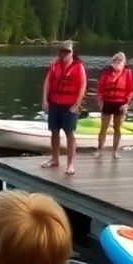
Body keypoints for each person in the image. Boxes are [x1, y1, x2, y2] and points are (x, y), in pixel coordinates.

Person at [41, 41, 86, 175]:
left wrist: (77, 104)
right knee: (54, 131)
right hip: (55, 103)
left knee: (69, 133)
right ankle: (55, 159)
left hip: (70, 105)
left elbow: (82, 86)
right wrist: (45, 101)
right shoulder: (54, 66)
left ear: (72, 53)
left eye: (67, 52)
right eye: (62, 51)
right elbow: (47, 83)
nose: (64, 54)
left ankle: (70, 164)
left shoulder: (78, 67)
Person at [95, 52, 133, 159]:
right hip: (107, 102)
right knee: (103, 128)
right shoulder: (106, 73)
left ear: (124, 63)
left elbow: (130, 90)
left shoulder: (128, 73)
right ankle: (99, 150)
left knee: (117, 128)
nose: (117, 63)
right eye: (115, 61)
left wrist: (126, 103)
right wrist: (100, 100)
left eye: (119, 61)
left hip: (120, 103)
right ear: (112, 63)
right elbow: (100, 88)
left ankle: (115, 151)